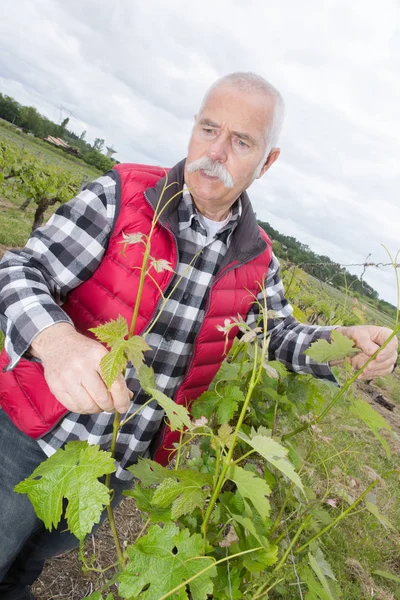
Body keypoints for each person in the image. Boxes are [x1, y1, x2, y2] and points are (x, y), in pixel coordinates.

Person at [0, 72, 397, 599]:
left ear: (267, 161)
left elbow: (273, 336)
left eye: (240, 141)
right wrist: (56, 341)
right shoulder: (124, 196)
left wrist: (343, 343)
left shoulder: (258, 257)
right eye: (209, 128)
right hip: (29, 434)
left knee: (27, 568)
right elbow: (19, 270)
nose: (215, 151)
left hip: (116, 467)